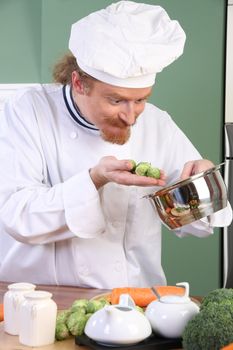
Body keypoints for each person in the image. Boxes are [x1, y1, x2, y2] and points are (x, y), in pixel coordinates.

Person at [0, 1, 232, 288]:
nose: (130, 116)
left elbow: (196, 221)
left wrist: (203, 181)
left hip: (135, 301)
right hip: (44, 300)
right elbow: (17, 214)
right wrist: (95, 179)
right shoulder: (28, 112)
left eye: (141, 99)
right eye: (116, 100)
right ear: (78, 83)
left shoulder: (158, 124)